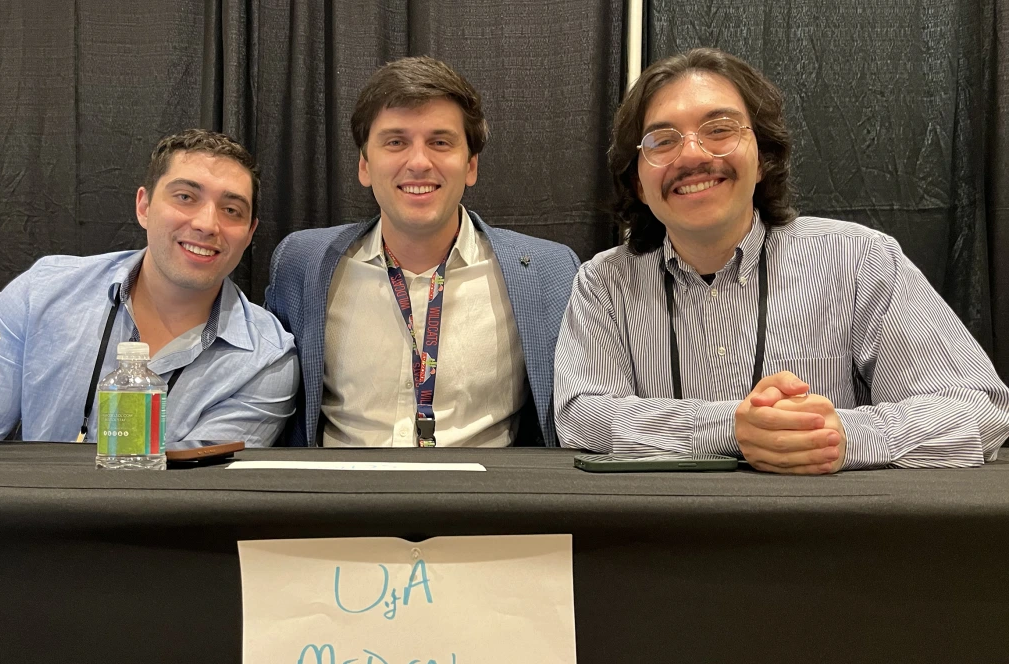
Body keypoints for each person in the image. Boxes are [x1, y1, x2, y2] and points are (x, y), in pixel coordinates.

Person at [554, 48, 1009, 473]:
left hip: (822, 527)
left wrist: (841, 436)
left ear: (763, 159)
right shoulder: (604, 282)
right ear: (638, 182)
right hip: (663, 529)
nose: (691, 154)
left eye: (719, 129)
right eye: (662, 140)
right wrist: (732, 427)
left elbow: (978, 407)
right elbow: (580, 415)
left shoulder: (860, 260)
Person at [267, 56, 579, 447]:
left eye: (440, 142)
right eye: (395, 142)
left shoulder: (550, 272)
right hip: (338, 485)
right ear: (364, 165)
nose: (418, 162)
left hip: (483, 485)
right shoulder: (301, 263)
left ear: (471, 165)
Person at [0, 129, 299, 446]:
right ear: (144, 206)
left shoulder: (265, 361)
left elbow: (198, 493)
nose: (207, 224)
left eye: (232, 210)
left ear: (250, 233)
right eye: (185, 197)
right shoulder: (42, 293)